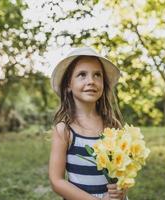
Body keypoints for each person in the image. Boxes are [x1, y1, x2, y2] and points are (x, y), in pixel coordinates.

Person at [49, 47, 127, 200]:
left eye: (97, 75)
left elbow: (123, 170)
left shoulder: (112, 126)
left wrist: (121, 189)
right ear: (68, 86)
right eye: (82, 75)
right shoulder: (64, 130)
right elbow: (56, 181)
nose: (91, 81)